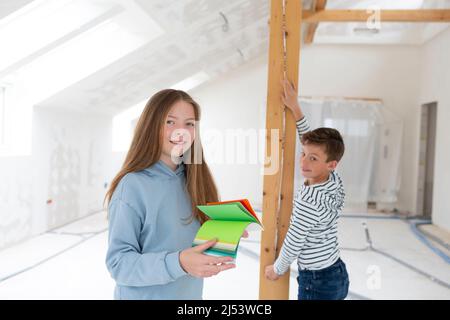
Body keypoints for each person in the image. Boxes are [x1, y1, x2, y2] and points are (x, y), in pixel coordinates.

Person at [105, 89, 236, 299]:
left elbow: (185, 242)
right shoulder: (132, 186)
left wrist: (225, 231)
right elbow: (119, 264)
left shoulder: (196, 182)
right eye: (170, 122)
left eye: (189, 124)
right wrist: (180, 262)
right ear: (151, 126)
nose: (181, 131)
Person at [265, 80, 349, 300]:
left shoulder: (310, 201)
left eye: (313, 159)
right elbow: (311, 142)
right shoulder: (334, 180)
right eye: (304, 154)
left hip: (317, 281)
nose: (304, 162)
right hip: (337, 270)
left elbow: (294, 240)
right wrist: (295, 107)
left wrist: (277, 269)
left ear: (331, 164)